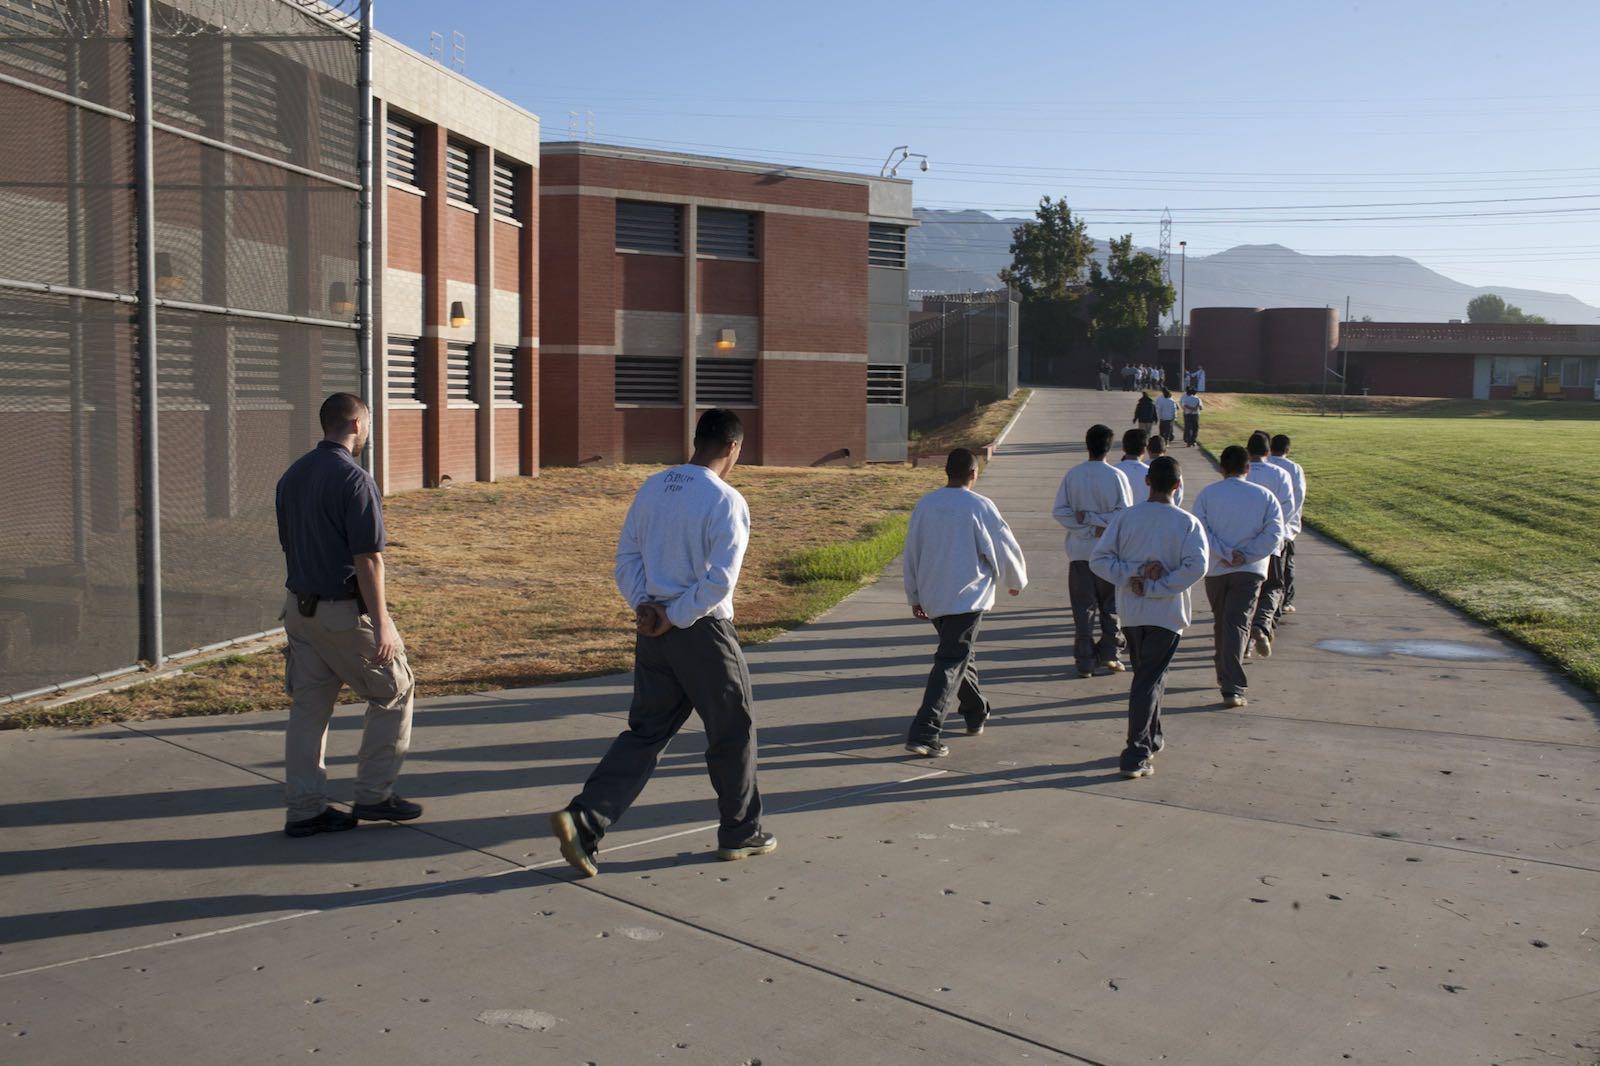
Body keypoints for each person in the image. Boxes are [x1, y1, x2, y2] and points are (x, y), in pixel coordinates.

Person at [551, 409, 773, 877]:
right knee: (732, 730)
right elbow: (719, 583)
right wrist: (673, 615)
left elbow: (626, 557)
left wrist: (646, 607)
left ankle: (586, 819)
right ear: (733, 447)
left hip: (653, 632)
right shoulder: (727, 500)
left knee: (646, 733)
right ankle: (740, 831)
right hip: (702, 633)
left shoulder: (653, 487)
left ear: (696, 440)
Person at [275, 393, 419, 838]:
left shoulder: (293, 475)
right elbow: (369, 558)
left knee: (309, 709)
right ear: (357, 424)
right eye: (369, 424)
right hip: (341, 612)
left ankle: (304, 808)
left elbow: (288, 543)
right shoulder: (354, 479)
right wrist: (382, 622)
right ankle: (375, 795)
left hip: (300, 611)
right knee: (394, 689)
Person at [902, 448, 1029, 758]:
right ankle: (925, 730)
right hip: (968, 597)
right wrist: (1015, 581)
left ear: (946, 471)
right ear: (974, 473)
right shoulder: (980, 506)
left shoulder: (926, 505)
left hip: (934, 595)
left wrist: (915, 594)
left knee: (959, 657)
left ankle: (975, 711)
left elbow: (911, 552)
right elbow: (1002, 546)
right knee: (951, 660)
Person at [1090, 455, 1208, 779]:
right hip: (1166, 613)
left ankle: (1152, 738)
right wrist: (1154, 581)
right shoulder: (1186, 522)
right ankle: (1136, 752)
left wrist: (1133, 576)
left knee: (1150, 677)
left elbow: (1099, 561)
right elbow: (1197, 566)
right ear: (1178, 485)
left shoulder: (1126, 519)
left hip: (1133, 612)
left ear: (1146, 482)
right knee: (1147, 680)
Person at [1192, 445, 1285, 708]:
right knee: (1236, 623)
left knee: (1224, 622)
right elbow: (1273, 534)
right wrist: (1246, 554)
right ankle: (1231, 683)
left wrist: (1224, 552)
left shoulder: (1208, 495)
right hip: (1249, 569)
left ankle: (1227, 676)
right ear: (1248, 468)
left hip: (1218, 568)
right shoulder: (1265, 497)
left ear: (1221, 468)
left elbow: (1201, 530)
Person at [1053, 423, 1133, 677]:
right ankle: (1110, 651)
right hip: (1108, 552)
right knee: (1111, 606)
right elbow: (1124, 515)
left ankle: (1085, 661)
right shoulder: (1116, 476)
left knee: (1083, 610)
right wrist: (1100, 524)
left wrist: (1086, 522)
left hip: (1080, 552)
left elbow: (1061, 512)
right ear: (1109, 447)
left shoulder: (1074, 474)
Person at [1244, 430, 1296, 658]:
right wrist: (1276, 531)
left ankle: (1244, 644)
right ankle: (1262, 623)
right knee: (1273, 586)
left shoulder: (1241, 471)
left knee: (1244, 595)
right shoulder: (1280, 474)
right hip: (1271, 542)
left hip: (1241, 543)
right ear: (1268, 451)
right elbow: (1288, 506)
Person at [1267, 434, 1307, 618]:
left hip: (1262, 526)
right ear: (1287, 450)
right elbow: (1298, 497)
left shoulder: (1260, 466)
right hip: (1286, 527)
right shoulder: (1293, 468)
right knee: (1286, 565)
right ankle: (1284, 601)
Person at [1145, 435, 1182, 507]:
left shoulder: (1144, 466)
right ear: (1165, 450)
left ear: (1148, 450)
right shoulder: (1173, 468)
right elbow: (1179, 494)